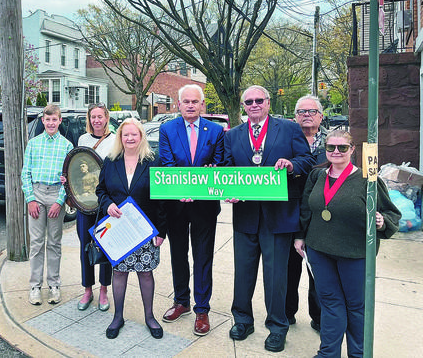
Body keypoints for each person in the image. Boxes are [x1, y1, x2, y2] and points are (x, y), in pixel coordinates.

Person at [223, 85, 315, 353]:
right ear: (243, 105)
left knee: (276, 277)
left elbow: (307, 160)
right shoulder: (233, 135)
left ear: (268, 102)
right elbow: (227, 169)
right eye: (248, 101)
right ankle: (242, 320)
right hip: (245, 215)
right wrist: (229, 191)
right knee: (243, 273)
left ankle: (277, 326)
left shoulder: (288, 129)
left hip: (279, 215)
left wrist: (291, 165)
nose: (253, 105)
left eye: (258, 100)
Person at [294, 130, 400, 358]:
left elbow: (391, 213)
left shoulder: (368, 181)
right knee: (330, 304)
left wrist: (382, 222)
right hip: (320, 250)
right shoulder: (317, 175)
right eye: (331, 147)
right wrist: (300, 236)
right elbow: (306, 208)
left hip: (355, 253)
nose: (336, 152)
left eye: (342, 147)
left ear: (352, 150)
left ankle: (358, 354)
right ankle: (328, 353)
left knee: (355, 308)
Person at [158, 84, 224, 336]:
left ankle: (202, 309)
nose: (190, 105)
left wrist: (211, 172)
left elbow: (218, 163)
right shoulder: (167, 129)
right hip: (176, 204)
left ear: (202, 104)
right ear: (178, 104)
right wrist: (182, 188)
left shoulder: (216, 131)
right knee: (178, 254)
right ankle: (181, 301)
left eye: (194, 102)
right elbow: (167, 163)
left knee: (203, 256)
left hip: (205, 206)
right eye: (185, 101)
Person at [96, 118, 166, 339]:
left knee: (146, 273)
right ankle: (118, 317)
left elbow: (162, 199)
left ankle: (149, 316)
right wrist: (108, 205)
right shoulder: (110, 161)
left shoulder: (153, 161)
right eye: (125, 134)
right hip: (119, 230)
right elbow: (101, 191)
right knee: (119, 273)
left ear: (141, 136)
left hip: (146, 230)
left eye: (134, 134)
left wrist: (162, 231)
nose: (129, 138)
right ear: (120, 137)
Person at [21, 104, 73, 306]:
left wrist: (60, 201)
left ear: (60, 121)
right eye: (47, 119)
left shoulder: (66, 145)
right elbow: (25, 172)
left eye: (54, 120)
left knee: (54, 242)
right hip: (37, 192)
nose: (51, 123)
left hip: (55, 195)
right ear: (42, 120)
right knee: (36, 243)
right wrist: (30, 198)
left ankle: (54, 284)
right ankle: (35, 286)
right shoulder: (33, 144)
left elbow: (67, 177)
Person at [286, 95, 326, 331]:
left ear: (321, 116)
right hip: (289, 214)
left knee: (318, 271)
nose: (307, 115)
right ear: (294, 117)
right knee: (289, 268)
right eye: (301, 112)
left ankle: (319, 317)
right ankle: (287, 312)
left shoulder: (332, 144)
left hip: (321, 218)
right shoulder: (285, 141)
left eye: (312, 111)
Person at [76, 103, 116, 312]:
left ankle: (103, 290)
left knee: (106, 246)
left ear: (106, 118)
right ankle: (87, 289)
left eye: (100, 116)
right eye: (93, 117)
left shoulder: (114, 139)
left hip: (105, 202)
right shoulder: (83, 140)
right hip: (84, 202)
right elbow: (77, 167)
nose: (97, 120)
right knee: (86, 246)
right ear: (89, 119)